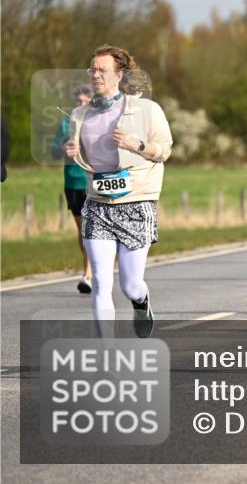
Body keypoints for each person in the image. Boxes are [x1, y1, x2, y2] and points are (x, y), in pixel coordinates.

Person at [62, 45, 172, 337]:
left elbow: (164, 150)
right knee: (100, 279)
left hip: (136, 202)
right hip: (97, 203)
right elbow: (81, 152)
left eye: (102, 70)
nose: (95, 75)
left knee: (129, 284)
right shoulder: (79, 115)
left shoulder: (147, 110)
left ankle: (141, 300)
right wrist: (72, 150)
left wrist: (136, 144)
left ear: (119, 74)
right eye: (92, 70)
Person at [53, 84, 95, 293]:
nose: (82, 104)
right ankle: (91, 268)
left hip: (92, 182)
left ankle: (88, 274)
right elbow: (53, 152)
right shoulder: (65, 124)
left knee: (89, 228)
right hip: (71, 182)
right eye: (79, 102)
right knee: (81, 230)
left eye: (86, 101)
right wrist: (64, 148)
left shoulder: (96, 123)